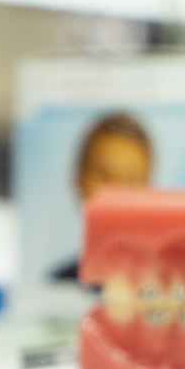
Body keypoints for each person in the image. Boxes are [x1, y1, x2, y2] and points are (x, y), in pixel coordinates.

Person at [51, 112, 152, 281]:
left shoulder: (172, 283)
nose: (116, 191)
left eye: (131, 178)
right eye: (103, 174)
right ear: (78, 180)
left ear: (149, 189)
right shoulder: (56, 285)